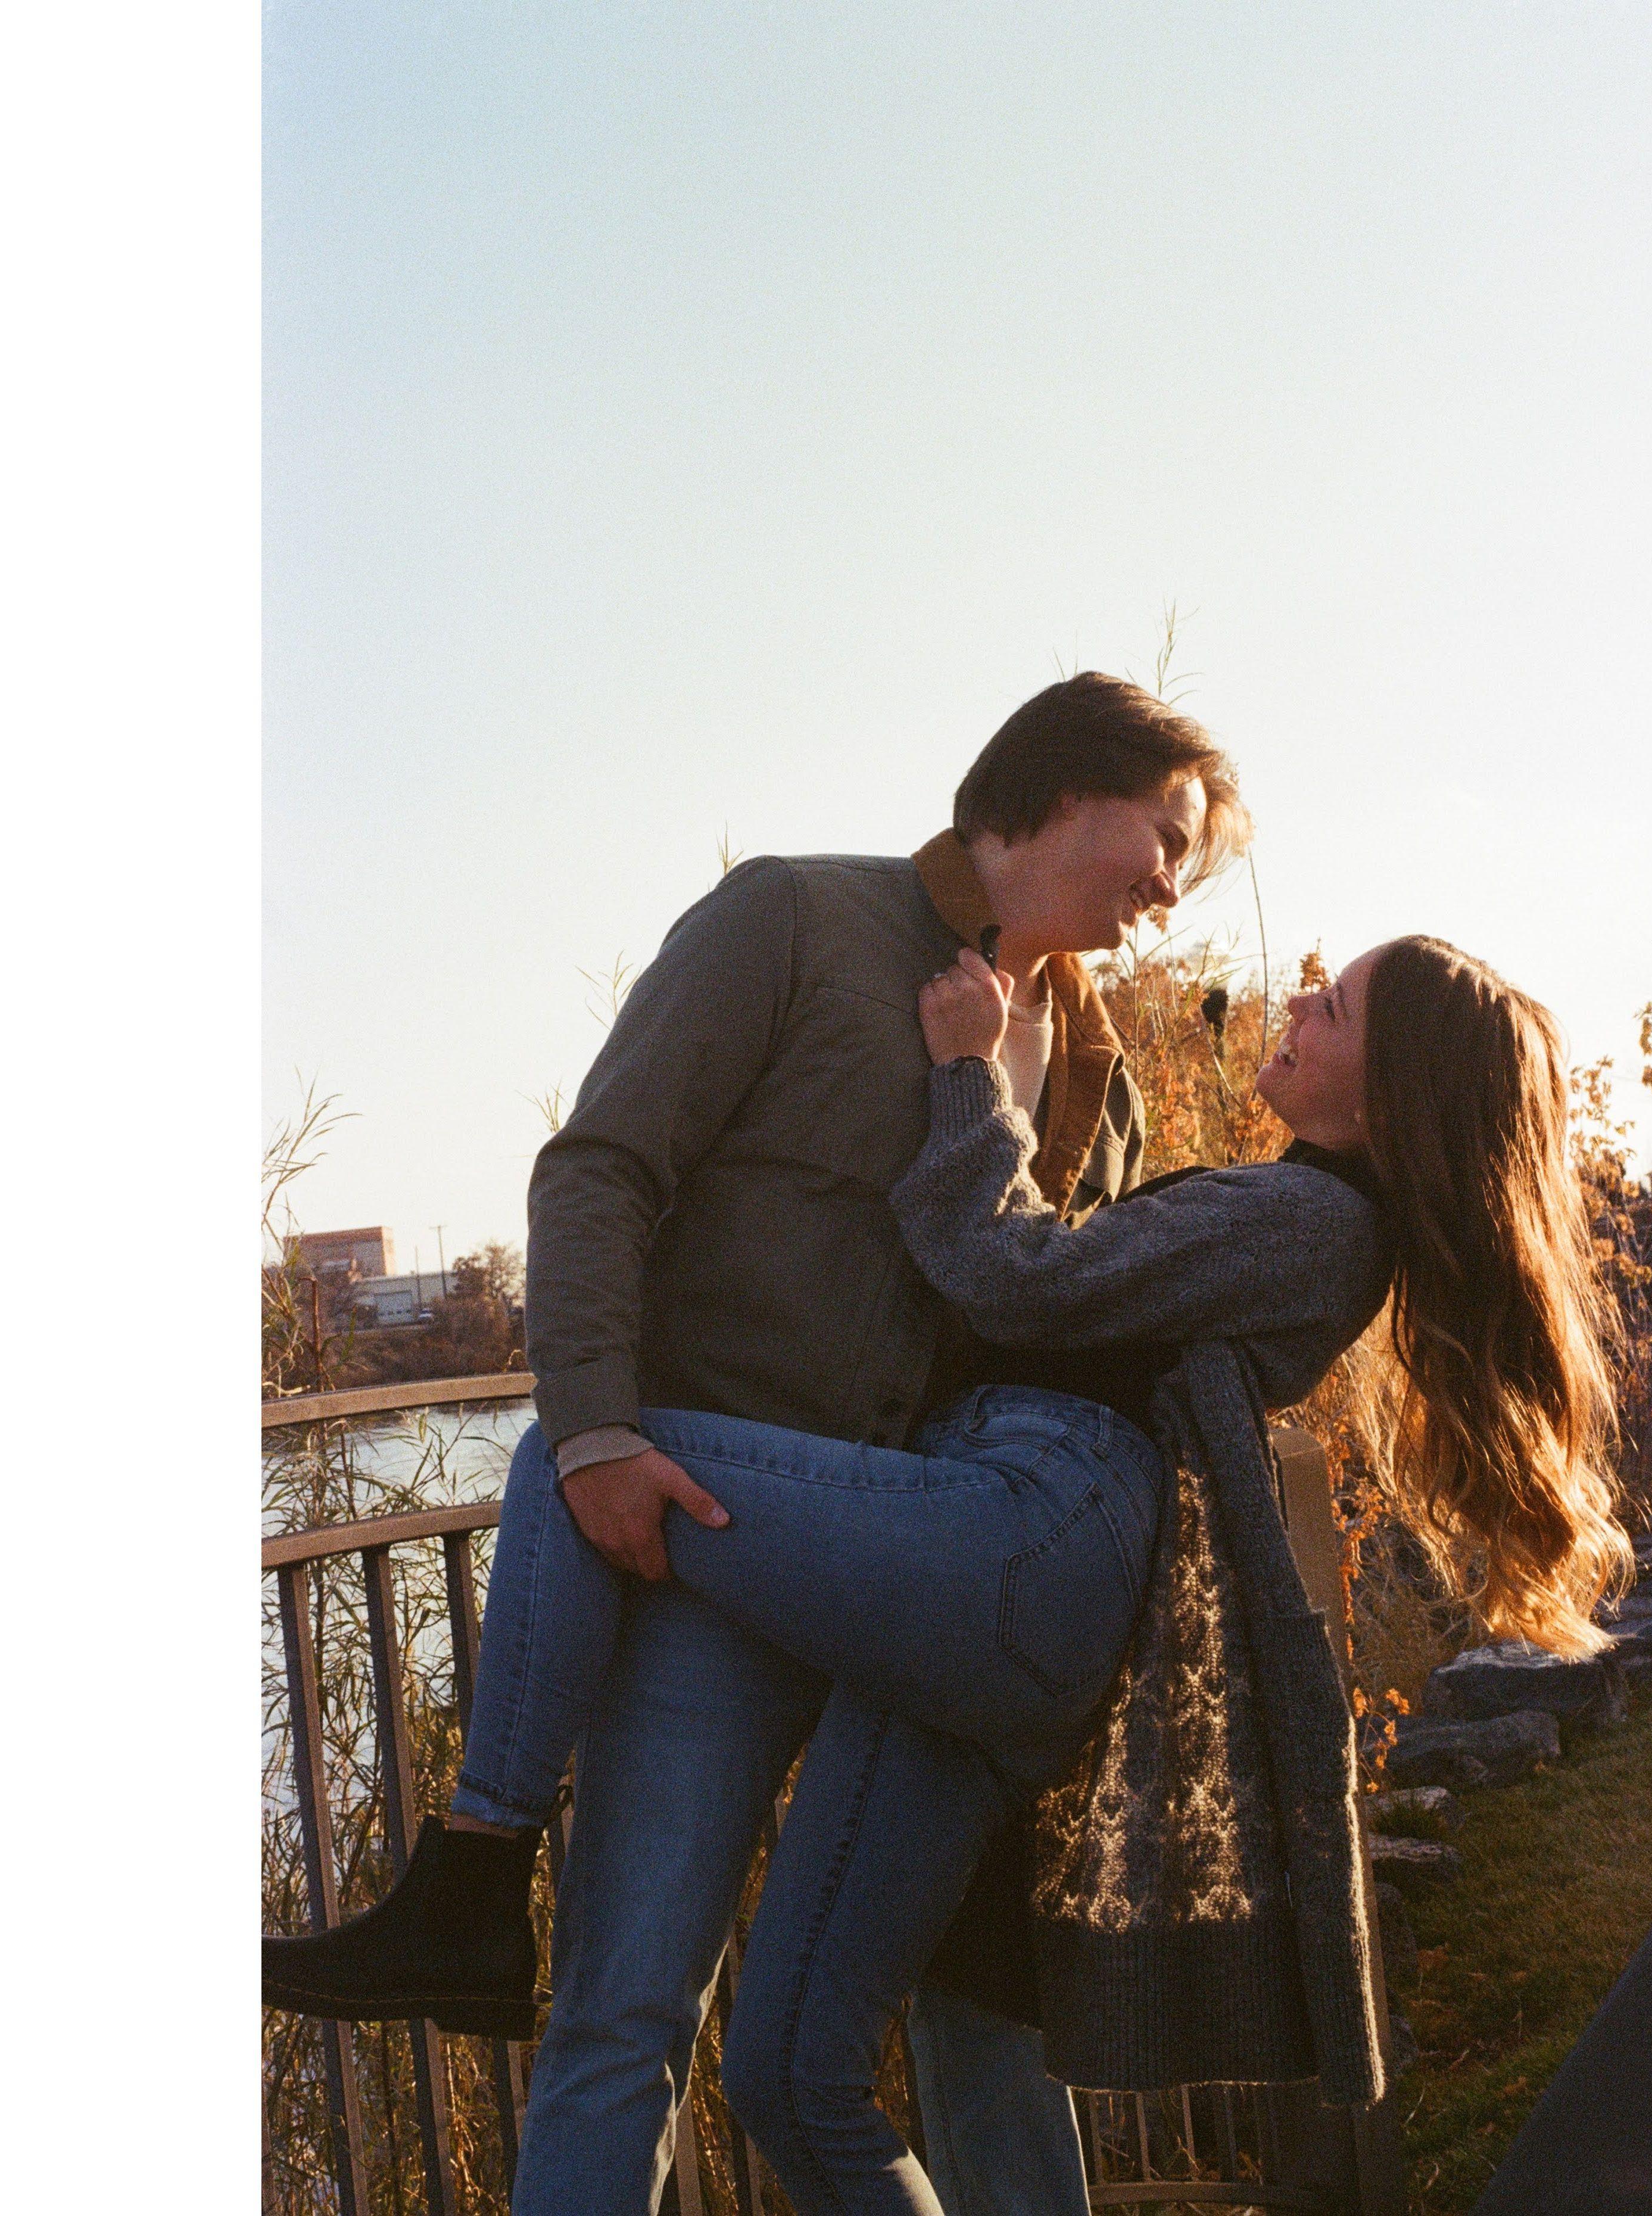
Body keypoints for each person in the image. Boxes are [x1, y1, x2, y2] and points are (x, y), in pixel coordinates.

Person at [267, 928, 1634, 2216]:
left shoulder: (1308, 1220)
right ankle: (468, 1902)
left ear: (1388, 1096)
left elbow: (1018, 1279)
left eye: (1331, 1009)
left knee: (579, 1455)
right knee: (789, 2075)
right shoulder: (1308, 1215)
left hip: (1018, 1538)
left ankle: (474, 1879)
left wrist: (969, 1074)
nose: (1298, 1005)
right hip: (992, 1594)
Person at [267, 673, 1249, 2216]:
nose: (1174, 887)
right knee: (625, 2013)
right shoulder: (791, 919)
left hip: (925, 1596)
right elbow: (598, 1171)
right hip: (701, 1572)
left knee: (977, 2012)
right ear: (1065, 787)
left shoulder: (1097, 1069)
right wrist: (594, 1433)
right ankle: (472, 1905)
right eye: (1168, 838)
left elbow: (1055, 1313)